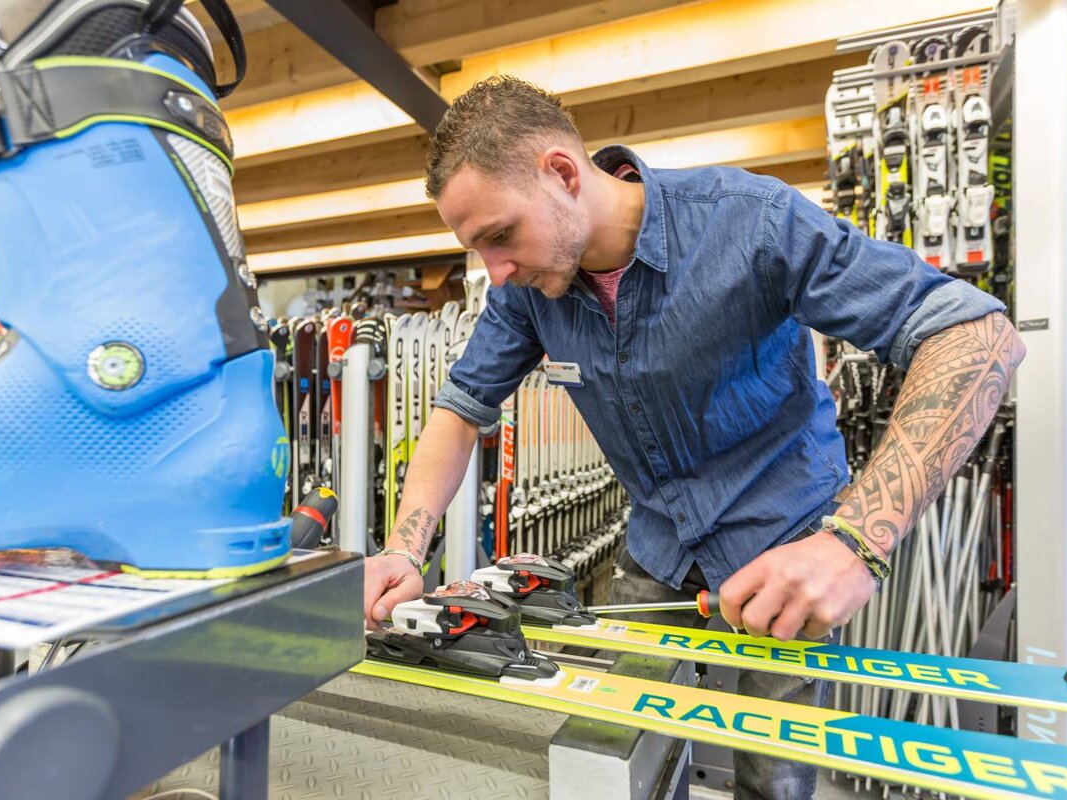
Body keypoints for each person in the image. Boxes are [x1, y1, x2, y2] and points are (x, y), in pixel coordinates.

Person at [364, 75, 1024, 799]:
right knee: (627, 758)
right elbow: (460, 410)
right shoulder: (525, 292)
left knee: (775, 777)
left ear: (561, 172)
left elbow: (975, 332)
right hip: (657, 550)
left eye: (500, 236)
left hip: (783, 549)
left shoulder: (751, 222)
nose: (496, 269)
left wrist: (857, 539)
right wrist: (403, 548)